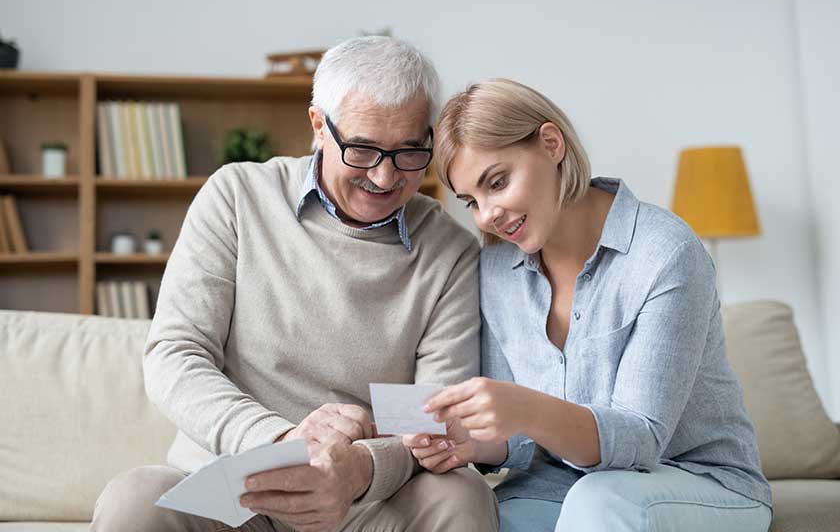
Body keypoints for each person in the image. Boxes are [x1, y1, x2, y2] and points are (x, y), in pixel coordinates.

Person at [91, 37, 498, 532]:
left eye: (410, 151)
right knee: (134, 501)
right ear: (319, 126)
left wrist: (358, 469)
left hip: (367, 498)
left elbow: (432, 416)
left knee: (463, 495)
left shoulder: (450, 250)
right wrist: (280, 442)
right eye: (364, 149)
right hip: (235, 481)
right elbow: (175, 354)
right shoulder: (236, 196)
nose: (385, 176)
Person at [404, 78, 772, 531]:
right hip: (557, 488)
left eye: (497, 183)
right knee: (479, 515)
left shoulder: (664, 253)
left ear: (551, 143)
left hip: (697, 482)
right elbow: (522, 443)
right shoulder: (497, 269)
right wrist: (474, 443)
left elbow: (641, 439)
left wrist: (523, 407)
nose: (487, 216)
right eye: (471, 201)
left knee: (601, 503)